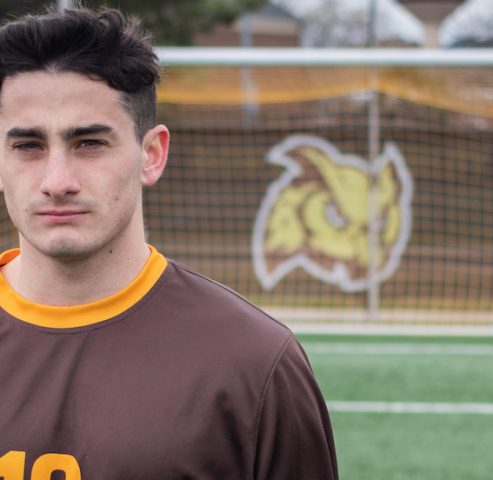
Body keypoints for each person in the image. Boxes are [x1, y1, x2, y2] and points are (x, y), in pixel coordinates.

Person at [0, 6, 338, 479]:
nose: (58, 181)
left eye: (90, 143)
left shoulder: (253, 362)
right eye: (28, 146)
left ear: (151, 154)